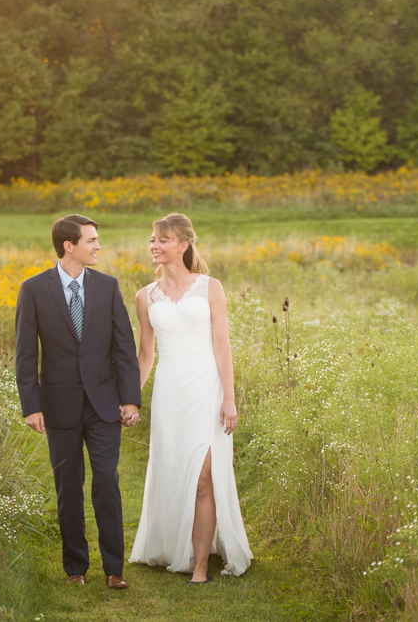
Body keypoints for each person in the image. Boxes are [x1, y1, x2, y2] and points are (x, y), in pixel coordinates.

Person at [14, 214, 142, 590]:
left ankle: (114, 569)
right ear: (69, 245)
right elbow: (25, 354)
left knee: (106, 480)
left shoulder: (107, 286)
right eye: (91, 240)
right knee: (68, 486)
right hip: (58, 404)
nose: (98, 246)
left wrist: (130, 399)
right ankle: (75, 567)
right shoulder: (33, 289)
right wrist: (31, 405)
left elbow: (124, 347)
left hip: (104, 403)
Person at [128, 213, 252, 583]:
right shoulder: (144, 297)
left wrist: (228, 398)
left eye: (162, 240)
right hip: (170, 391)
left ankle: (199, 565)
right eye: (152, 239)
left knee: (204, 477)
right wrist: (132, 398)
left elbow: (222, 344)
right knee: (172, 470)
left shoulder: (210, 287)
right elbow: (145, 354)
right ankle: (171, 541)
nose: (154, 245)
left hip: (207, 388)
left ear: (183, 245)